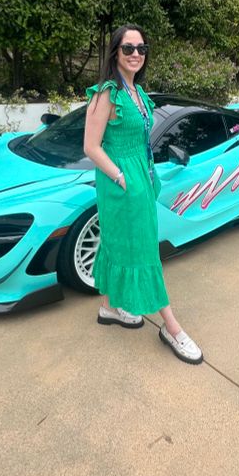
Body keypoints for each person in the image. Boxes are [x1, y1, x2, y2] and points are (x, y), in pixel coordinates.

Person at [84, 24, 203, 365]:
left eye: (141, 48)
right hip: (122, 181)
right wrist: (121, 177)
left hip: (141, 176)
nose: (136, 54)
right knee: (145, 251)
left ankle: (109, 308)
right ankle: (172, 328)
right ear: (115, 53)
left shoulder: (137, 92)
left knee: (120, 243)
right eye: (128, 48)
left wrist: (140, 177)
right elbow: (91, 146)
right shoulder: (107, 94)